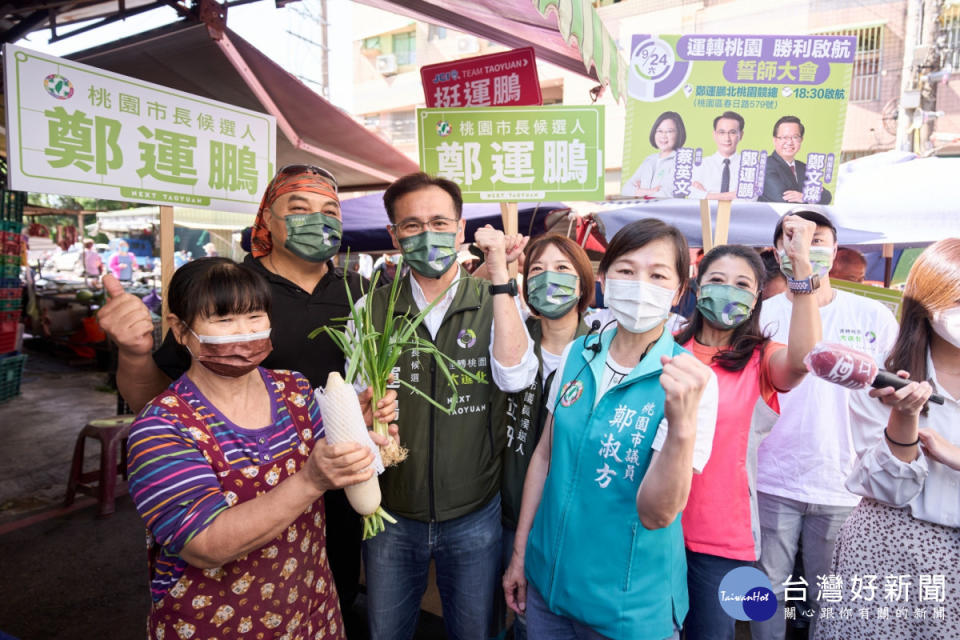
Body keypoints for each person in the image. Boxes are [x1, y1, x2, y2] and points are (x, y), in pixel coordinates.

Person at [96, 165, 397, 637]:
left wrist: (363, 422)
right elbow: (155, 402)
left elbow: (354, 403)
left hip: (331, 508)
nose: (246, 330)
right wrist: (134, 354)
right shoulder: (233, 287)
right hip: (226, 570)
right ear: (267, 222)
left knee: (334, 582)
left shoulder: (361, 295)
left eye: (329, 210)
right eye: (298, 209)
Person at [127, 257, 383, 640]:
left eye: (254, 316)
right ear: (181, 331)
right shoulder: (162, 426)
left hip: (311, 607)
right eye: (223, 320)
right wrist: (311, 481)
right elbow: (205, 544)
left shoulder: (294, 389)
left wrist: (355, 427)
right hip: (215, 624)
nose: (243, 334)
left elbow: (330, 454)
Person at [503, 219, 719, 640]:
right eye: (626, 270)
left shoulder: (691, 383)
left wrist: (681, 425)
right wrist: (519, 555)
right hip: (548, 589)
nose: (640, 285)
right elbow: (544, 458)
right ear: (603, 280)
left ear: (678, 293)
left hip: (629, 609)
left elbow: (658, 514)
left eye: (657, 275)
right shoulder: (578, 353)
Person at [362, 172, 539, 640]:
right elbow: (357, 408)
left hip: (475, 513)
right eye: (412, 225)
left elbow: (517, 377)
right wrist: (367, 419)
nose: (427, 235)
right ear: (394, 235)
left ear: (460, 230)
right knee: (387, 631)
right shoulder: (372, 309)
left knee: (473, 632)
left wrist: (501, 278)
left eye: (439, 222)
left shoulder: (494, 299)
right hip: (390, 515)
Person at [751, 207, 900, 640]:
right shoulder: (761, 315)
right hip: (771, 479)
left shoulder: (874, 318)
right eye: (794, 238)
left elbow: (893, 397)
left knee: (831, 595)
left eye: (817, 240)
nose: (806, 248)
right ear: (779, 251)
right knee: (767, 591)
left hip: (844, 483)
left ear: (834, 252)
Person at [673, 220, 822, 640]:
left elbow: (806, 358)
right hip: (654, 525)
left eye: (741, 284)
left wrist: (801, 268)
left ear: (757, 297)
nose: (728, 290)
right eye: (717, 280)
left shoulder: (760, 359)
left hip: (719, 537)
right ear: (697, 287)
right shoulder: (666, 348)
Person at [813, 238, 960, 640]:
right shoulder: (881, 380)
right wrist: (905, 416)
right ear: (928, 302)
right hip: (887, 549)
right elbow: (888, 489)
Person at [495, 234, 596, 640]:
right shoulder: (508, 338)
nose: (548, 278)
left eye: (562, 269)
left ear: (583, 283)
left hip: (572, 524)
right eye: (536, 269)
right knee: (513, 612)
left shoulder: (601, 351)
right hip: (506, 513)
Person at [758, 115, 832, 205]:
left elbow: (827, 197)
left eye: (795, 137)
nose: (789, 142)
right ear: (775, 140)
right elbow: (784, 200)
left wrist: (803, 197)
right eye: (784, 137)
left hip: (802, 218)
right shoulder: (765, 166)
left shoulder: (804, 167)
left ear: (801, 140)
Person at [621, 111, 686, 198]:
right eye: (659, 131)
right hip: (643, 210)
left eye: (669, 131)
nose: (663, 136)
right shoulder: (649, 160)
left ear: (679, 134)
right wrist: (650, 191)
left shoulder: (682, 161)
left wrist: (639, 191)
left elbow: (668, 194)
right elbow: (625, 189)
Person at [691, 111, 752, 201]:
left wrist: (707, 195)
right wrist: (733, 195)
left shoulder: (750, 166)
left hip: (739, 214)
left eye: (732, 132)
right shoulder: (700, 165)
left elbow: (749, 197)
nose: (727, 138)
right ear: (714, 135)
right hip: (706, 214)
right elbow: (693, 194)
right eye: (721, 132)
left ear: (741, 135)